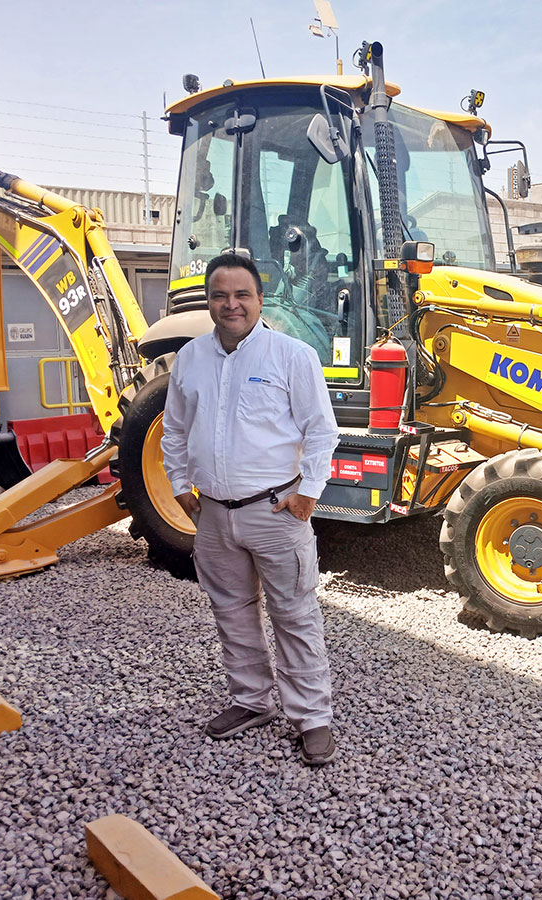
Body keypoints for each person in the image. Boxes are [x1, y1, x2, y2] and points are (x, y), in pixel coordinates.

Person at [161, 251, 341, 765]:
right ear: (208, 301)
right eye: (220, 295)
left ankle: (312, 717)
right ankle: (251, 701)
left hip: (276, 511)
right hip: (214, 515)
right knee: (232, 613)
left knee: (294, 615)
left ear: (260, 299)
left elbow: (321, 429)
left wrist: (309, 492)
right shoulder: (190, 358)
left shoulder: (291, 356)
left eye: (242, 294)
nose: (231, 304)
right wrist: (180, 486)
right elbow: (174, 429)